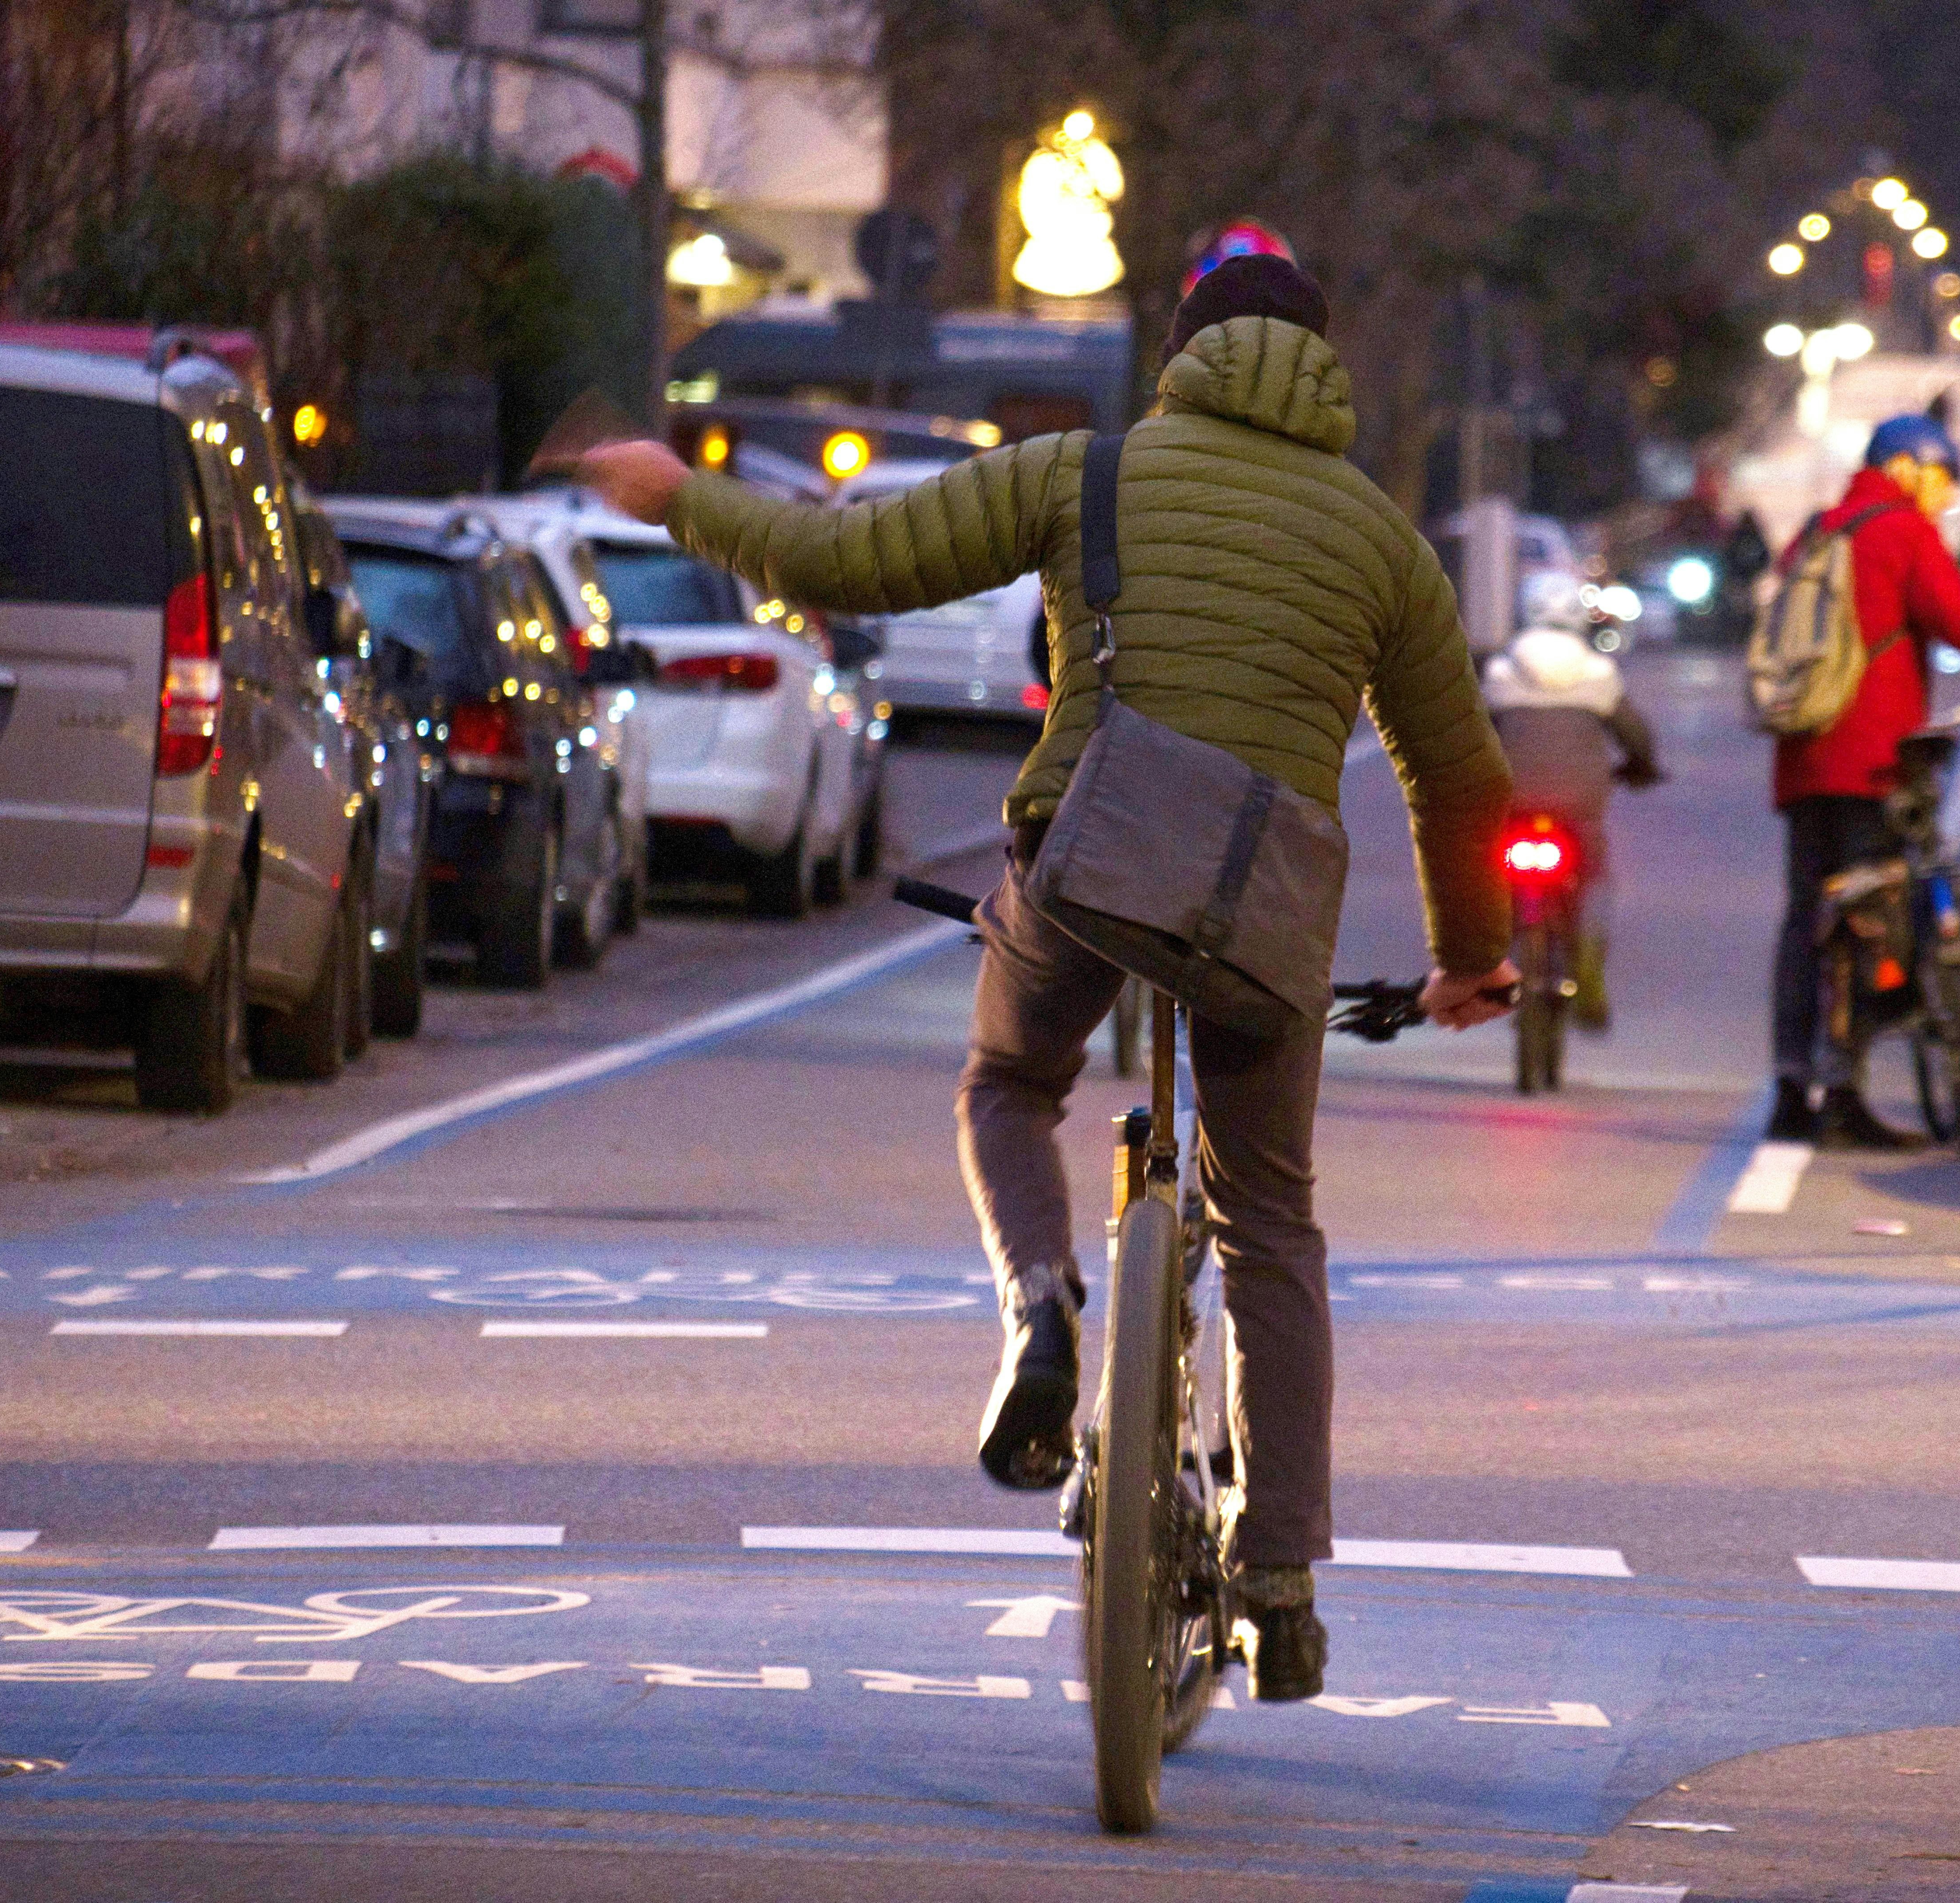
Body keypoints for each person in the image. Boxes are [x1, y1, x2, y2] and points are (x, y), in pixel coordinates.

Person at [573, 255, 1518, 1703]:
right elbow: (1457, 776)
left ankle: (1044, 1307)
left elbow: (846, 561)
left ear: (1185, 358)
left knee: (1011, 1080)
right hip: (1264, 917)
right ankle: (1278, 1572)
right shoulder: (1385, 543)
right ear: (1326, 373)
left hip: (1084, 865)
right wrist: (1469, 960)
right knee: (1269, 1226)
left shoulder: (1087, 476)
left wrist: (678, 495)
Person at [1768, 413, 1960, 1149]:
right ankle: (1843, 1092)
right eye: (1942, 481)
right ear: (1910, 468)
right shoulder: (1902, 532)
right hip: (1874, 760)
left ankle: (1791, 1086)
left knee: (1801, 921)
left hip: (1803, 753)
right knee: (1868, 917)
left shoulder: (1817, 530)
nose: (1945, 500)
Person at [1480, 575, 1663, 1030]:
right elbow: (1635, 737)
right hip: (1578, 806)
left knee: (1489, 880)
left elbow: (1473, 737)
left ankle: (1490, 964)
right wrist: (1641, 768)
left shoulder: (1500, 671)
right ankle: (1588, 975)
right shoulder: (1598, 674)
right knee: (1594, 882)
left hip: (1513, 800)